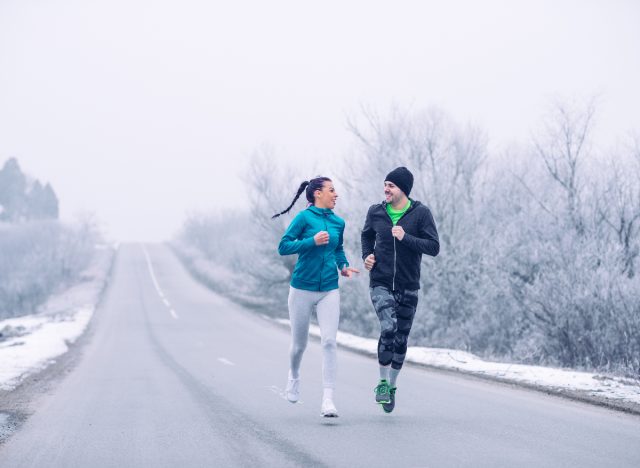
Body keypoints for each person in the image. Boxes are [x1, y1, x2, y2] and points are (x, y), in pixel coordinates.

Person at [274, 176, 359, 417]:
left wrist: (343, 266)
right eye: (331, 190)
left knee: (330, 342)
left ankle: (328, 400)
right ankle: (294, 376)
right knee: (299, 345)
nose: (336, 194)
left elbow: (338, 249)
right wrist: (311, 241)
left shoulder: (338, 222)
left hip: (329, 289)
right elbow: (284, 246)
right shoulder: (304, 218)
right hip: (302, 288)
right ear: (317, 194)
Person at [361, 167, 439, 413]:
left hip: (408, 285)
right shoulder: (376, 212)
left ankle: (392, 386)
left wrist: (406, 237)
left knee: (402, 338)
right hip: (381, 282)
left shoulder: (421, 214)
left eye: (391, 185)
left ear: (403, 190)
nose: (386, 189)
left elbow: (433, 246)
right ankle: (382, 383)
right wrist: (367, 256)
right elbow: (366, 237)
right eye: (385, 184)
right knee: (388, 327)